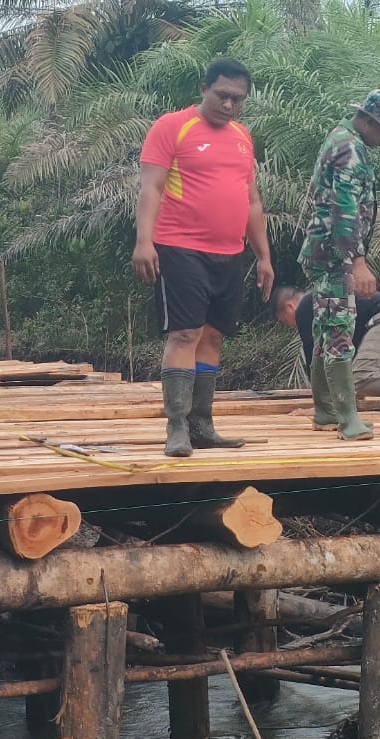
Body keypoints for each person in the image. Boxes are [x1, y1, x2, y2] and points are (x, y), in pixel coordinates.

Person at [133, 58, 274, 457]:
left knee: (213, 336)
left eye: (238, 99)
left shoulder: (243, 137)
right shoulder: (172, 127)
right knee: (184, 334)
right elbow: (151, 189)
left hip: (229, 253)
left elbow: (251, 201)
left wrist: (263, 256)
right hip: (179, 247)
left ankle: (202, 423)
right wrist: (144, 242)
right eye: (223, 95)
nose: (229, 105)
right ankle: (176, 425)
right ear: (203, 88)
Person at [297, 90, 380, 440]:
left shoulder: (342, 139)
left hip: (324, 252)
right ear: (370, 121)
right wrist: (357, 261)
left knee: (326, 329)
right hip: (334, 256)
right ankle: (347, 420)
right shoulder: (350, 149)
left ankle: (326, 410)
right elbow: (344, 210)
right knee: (340, 329)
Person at [271, 285, 380, 401]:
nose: (291, 326)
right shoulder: (324, 299)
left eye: (285, 320)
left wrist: (321, 407)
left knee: (360, 379)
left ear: (290, 306)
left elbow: (315, 364)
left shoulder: (305, 307)